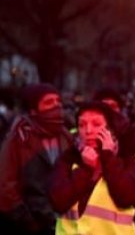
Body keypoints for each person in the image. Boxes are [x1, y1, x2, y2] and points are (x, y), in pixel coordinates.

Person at [50, 101, 135, 234]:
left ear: (110, 129)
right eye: (82, 125)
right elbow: (58, 202)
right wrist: (86, 169)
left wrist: (108, 157)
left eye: (97, 124)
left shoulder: (128, 160)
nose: (88, 131)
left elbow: (127, 198)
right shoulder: (68, 159)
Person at [0, 83, 72, 234]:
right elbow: (6, 187)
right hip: (29, 225)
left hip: (62, 224)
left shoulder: (65, 136)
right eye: (48, 102)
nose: (57, 106)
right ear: (33, 110)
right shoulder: (18, 140)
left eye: (58, 101)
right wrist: (29, 222)